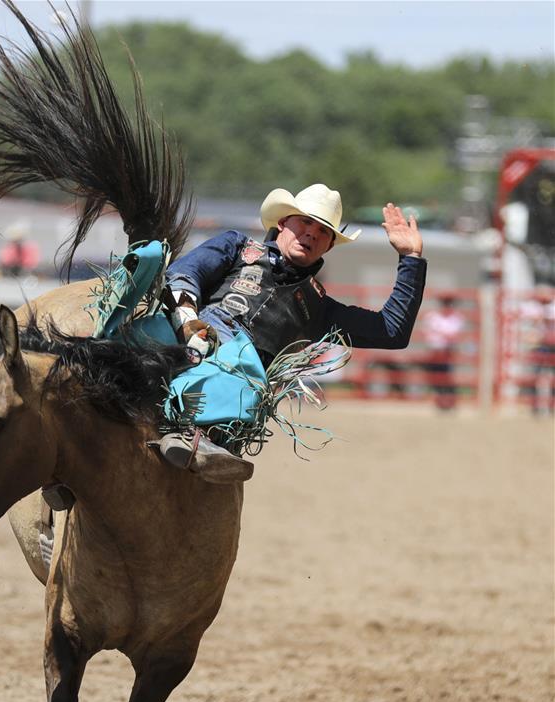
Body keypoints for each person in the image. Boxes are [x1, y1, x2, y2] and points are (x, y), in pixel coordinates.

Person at [156, 183, 426, 482]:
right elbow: (185, 273)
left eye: (323, 230)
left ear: (329, 246)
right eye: (305, 222)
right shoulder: (236, 247)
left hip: (240, 378)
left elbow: (392, 331)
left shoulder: (319, 307)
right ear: (283, 223)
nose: (312, 233)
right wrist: (189, 321)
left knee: (241, 362)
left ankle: (193, 434)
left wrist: (411, 258)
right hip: (184, 339)